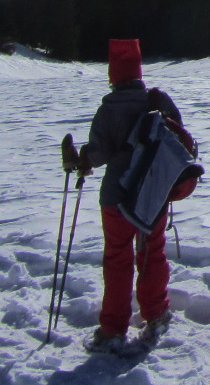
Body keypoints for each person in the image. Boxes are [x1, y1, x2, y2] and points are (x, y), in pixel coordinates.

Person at [70, 38, 183, 354]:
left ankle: (113, 328)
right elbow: (177, 136)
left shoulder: (108, 111)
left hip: (116, 198)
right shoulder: (158, 101)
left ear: (113, 74)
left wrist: (81, 157)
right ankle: (156, 313)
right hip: (152, 193)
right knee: (152, 252)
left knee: (117, 259)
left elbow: (96, 155)